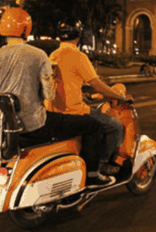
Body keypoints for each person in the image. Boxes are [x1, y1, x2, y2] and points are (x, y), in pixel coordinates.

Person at [0, 8, 115, 188]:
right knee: (92, 125)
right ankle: (93, 175)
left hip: (11, 127)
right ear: (26, 29)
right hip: (36, 125)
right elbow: (49, 95)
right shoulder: (38, 55)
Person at [46, 18, 131, 175]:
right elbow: (97, 84)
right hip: (74, 111)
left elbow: (63, 82)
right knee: (115, 126)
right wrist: (119, 97)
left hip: (53, 111)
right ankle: (101, 164)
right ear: (78, 35)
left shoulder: (53, 55)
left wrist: (84, 95)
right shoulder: (78, 56)